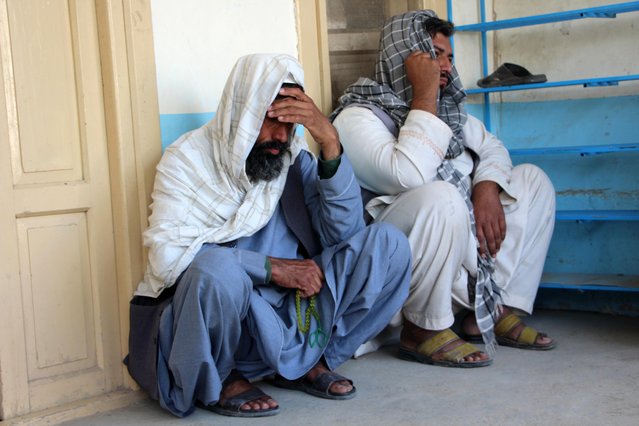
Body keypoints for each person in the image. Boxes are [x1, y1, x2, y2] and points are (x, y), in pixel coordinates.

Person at [124, 53, 411, 418]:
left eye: (290, 125)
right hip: (231, 318)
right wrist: (271, 268)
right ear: (242, 114)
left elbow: (346, 235)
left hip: (296, 310)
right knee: (215, 272)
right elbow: (168, 258)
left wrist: (330, 145)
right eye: (270, 121)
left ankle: (306, 361)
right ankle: (224, 375)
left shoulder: (293, 160)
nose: (280, 137)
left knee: (388, 245)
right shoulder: (187, 160)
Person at [331, 11, 556, 368]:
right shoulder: (358, 117)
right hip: (408, 268)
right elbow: (409, 175)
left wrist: (486, 187)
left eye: (449, 57)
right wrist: (424, 95)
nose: (446, 67)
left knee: (532, 180)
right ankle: (422, 328)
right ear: (404, 56)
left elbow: (494, 149)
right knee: (441, 196)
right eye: (434, 55)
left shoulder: (452, 113)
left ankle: (496, 309)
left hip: (463, 249)